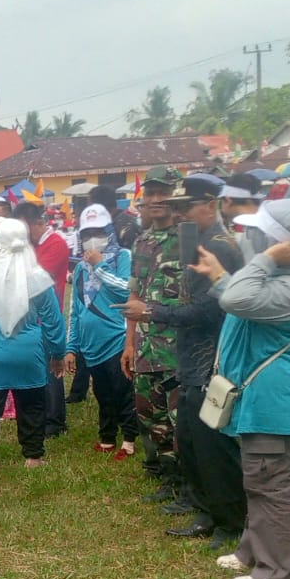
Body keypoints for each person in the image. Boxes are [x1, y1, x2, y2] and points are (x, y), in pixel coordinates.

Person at [199, 198, 290, 579]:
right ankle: (253, 550)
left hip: (272, 396)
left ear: (282, 242)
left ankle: (281, 571)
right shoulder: (282, 277)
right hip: (260, 393)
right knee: (257, 477)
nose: (249, 238)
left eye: (261, 233)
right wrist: (223, 274)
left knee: (271, 482)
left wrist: (266, 259)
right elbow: (244, 302)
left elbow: (237, 301)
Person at [128, 174, 247, 548]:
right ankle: (207, 509)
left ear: (210, 205)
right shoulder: (195, 241)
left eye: (185, 207)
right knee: (192, 439)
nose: (178, 214)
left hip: (212, 358)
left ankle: (229, 520)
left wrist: (153, 312)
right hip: (191, 355)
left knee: (213, 444)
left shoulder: (219, 248)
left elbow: (208, 311)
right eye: (175, 207)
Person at [0, 217, 67, 480]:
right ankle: (33, 456)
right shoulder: (37, 276)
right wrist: (58, 353)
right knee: (31, 406)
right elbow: (53, 320)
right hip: (28, 355)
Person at [119, 167, 185, 499]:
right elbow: (134, 295)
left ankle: (185, 482)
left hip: (178, 346)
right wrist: (129, 343)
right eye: (151, 193)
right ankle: (164, 473)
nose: (157, 199)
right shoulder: (142, 241)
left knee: (179, 416)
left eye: (163, 192)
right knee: (149, 413)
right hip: (146, 345)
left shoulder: (188, 238)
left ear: (176, 194)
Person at [66, 205, 138, 460]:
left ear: (109, 231)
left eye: (97, 232)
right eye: (86, 234)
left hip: (117, 339)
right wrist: (71, 347)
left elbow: (125, 291)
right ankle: (107, 437)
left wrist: (100, 266)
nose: (91, 239)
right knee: (102, 392)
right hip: (91, 344)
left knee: (123, 391)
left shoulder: (122, 257)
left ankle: (129, 440)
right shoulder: (79, 269)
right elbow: (76, 309)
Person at [15, 203, 70, 437]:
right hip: (31, 317)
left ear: (38, 223)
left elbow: (35, 279)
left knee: (52, 368)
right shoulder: (33, 245)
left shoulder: (55, 244)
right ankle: (42, 414)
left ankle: (55, 421)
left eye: (25, 229)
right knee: (38, 367)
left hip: (48, 315)